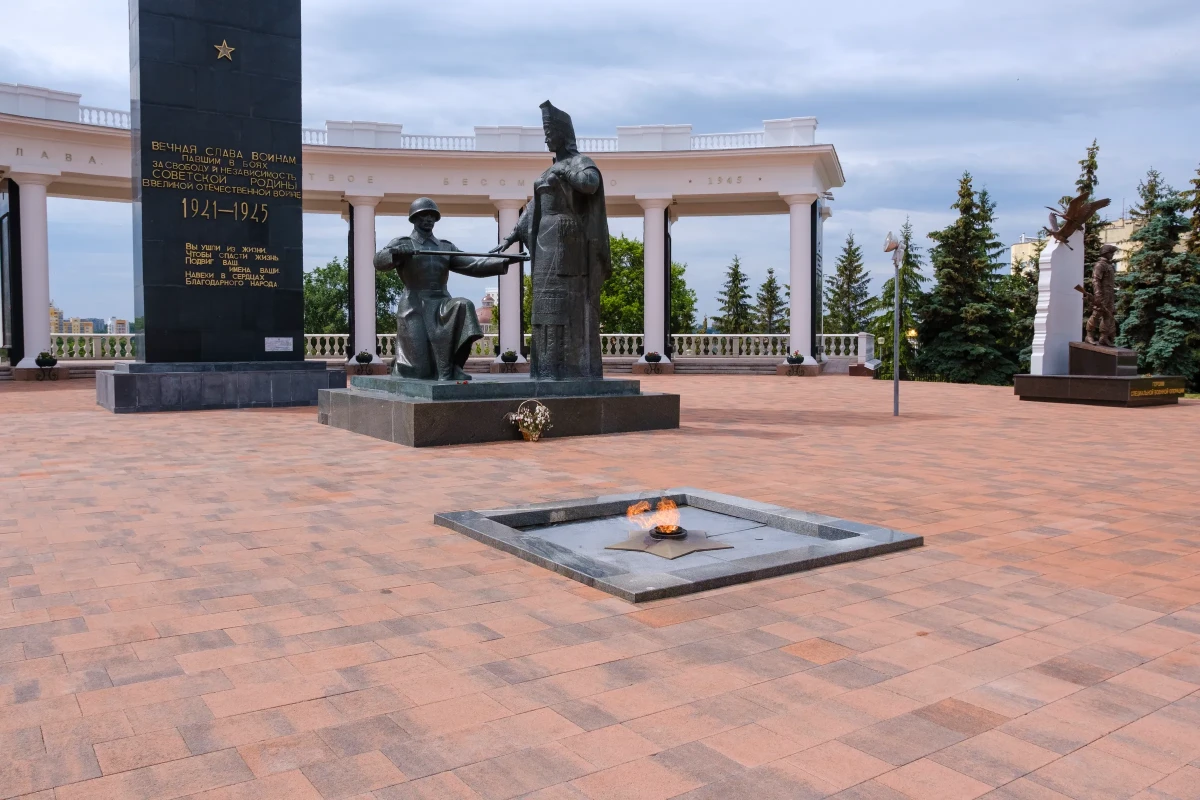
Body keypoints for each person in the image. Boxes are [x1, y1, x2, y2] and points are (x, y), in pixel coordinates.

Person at [494, 101, 611, 380]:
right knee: (544, 304)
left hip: (568, 240)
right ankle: (545, 369)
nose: (546, 138)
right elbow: (533, 209)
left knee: (568, 305)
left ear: (562, 133)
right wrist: (511, 237)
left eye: (549, 132)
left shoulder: (579, 162)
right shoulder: (548, 171)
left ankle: (571, 368)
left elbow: (591, 183)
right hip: (544, 239)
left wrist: (566, 172)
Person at [374, 198, 518, 381]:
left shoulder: (445, 246)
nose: (429, 219)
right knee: (419, 371)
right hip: (414, 306)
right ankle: (404, 368)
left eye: (432, 216)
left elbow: (474, 265)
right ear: (414, 218)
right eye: (424, 215)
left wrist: (506, 260)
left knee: (463, 305)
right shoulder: (403, 242)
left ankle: (454, 367)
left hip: (441, 303)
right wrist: (394, 254)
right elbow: (378, 261)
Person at [1086, 243, 1118, 347]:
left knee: (1108, 315)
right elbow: (1096, 280)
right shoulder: (1100, 265)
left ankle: (1103, 337)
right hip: (1102, 294)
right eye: (1111, 253)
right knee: (1096, 314)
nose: (1112, 255)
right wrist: (1098, 294)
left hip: (1109, 295)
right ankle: (1089, 335)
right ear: (1105, 253)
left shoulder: (1109, 266)